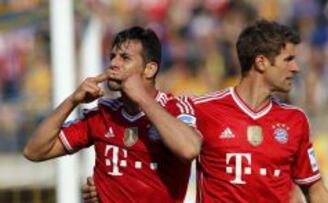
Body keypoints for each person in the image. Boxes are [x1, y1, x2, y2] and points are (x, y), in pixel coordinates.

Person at [82, 20, 328, 203]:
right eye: (288, 60)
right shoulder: (201, 110)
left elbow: (315, 190)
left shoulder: (295, 120)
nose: (295, 68)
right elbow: (154, 157)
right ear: (261, 62)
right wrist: (108, 188)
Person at [23, 26, 201, 203]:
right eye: (112, 57)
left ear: (149, 69)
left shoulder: (175, 108)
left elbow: (190, 149)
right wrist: (72, 101)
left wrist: (141, 98)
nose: (114, 63)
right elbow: (34, 151)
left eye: (125, 58)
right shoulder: (103, 113)